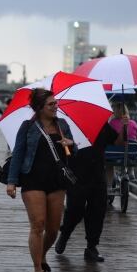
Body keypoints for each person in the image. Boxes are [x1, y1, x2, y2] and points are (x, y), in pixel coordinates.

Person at [6, 89, 76, 272]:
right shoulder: (28, 127)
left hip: (56, 182)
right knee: (38, 224)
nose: (56, 107)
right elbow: (18, 153)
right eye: (51, 104)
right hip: (32, 180)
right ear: (39, 107)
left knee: (53, 229)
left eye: (56, 103)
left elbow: (73, 154)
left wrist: (71, 144)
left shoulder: (62, 125)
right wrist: (12, 181)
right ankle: (37, 268)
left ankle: (42, 255)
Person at [54, 112, 130, 261]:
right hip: (76, 175)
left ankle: (91, 247)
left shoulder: (101, 124)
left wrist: (124, 127)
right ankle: (65, 234)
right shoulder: (68, 125)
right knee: (75, 210)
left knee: (97, 210)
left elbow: (120, 142)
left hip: (97, 175)